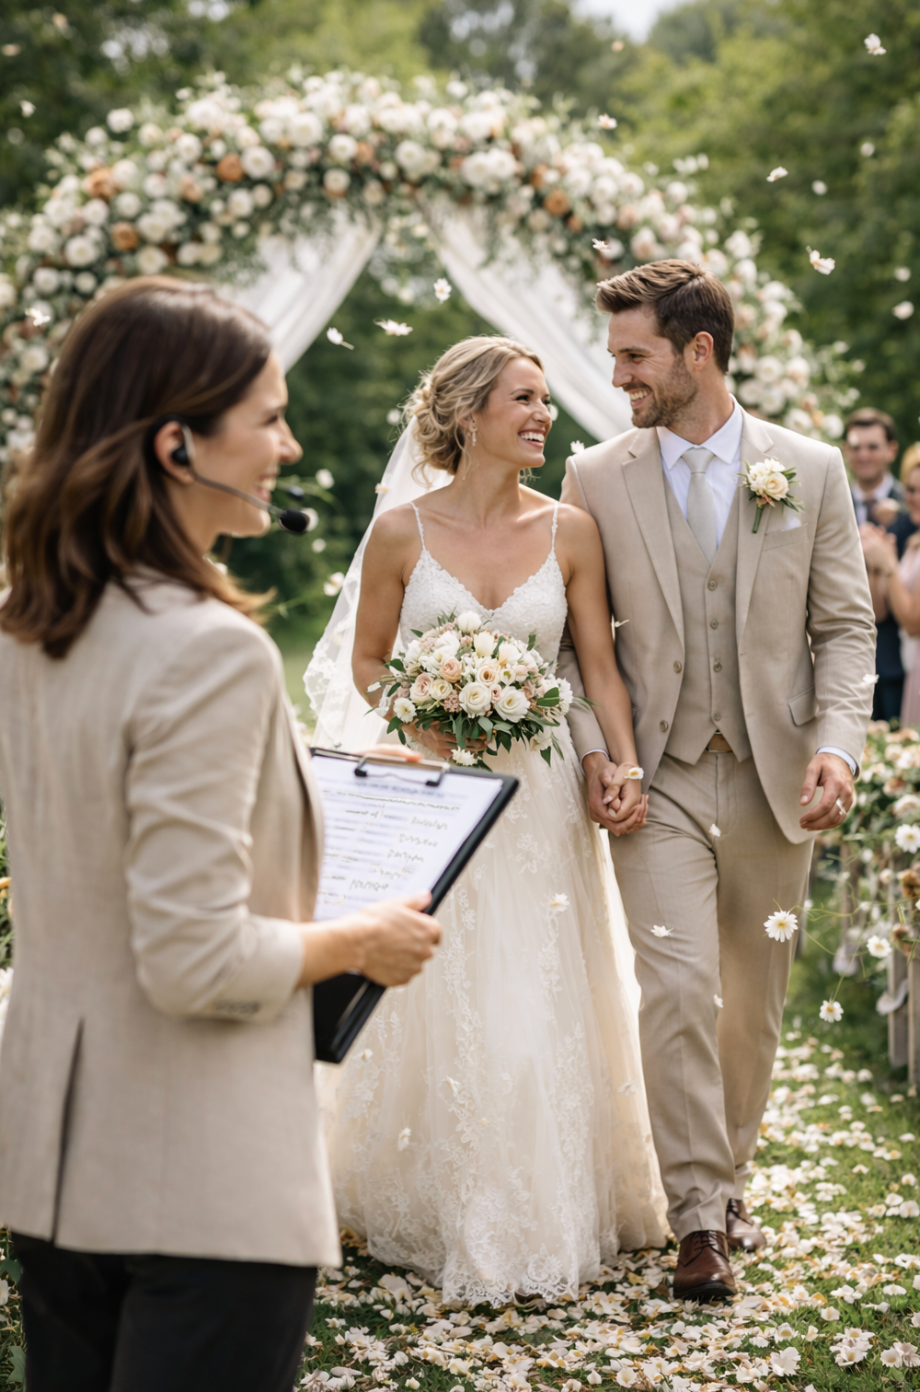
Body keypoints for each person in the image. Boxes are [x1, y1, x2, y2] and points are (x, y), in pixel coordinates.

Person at [0, 277, 440, 1392]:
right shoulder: (210, 651)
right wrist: (359, 942)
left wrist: (316, 775)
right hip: (194, 1179)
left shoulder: (31, 622)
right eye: (269, 420)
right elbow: (195, 956)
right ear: (175, 445)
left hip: (56, 1172)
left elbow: (119, 833)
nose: (287, 448)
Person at [318, 336, 666, 1307]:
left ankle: (535, 1208)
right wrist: (421, 705)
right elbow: (368, 663)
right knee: (443, 991)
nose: (542, 417)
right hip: (434, 793)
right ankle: (428, 1196)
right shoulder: (398, 532)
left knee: (534, 994)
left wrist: (620, 763)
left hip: (540, 795)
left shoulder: (569, 533)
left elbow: (593, 669)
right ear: (468, 412)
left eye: (545, 402)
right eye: (523, 399)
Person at [558, 260, 876, 1302]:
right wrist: (597, 751)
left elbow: (842, 630)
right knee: (679, 985)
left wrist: (836, 744)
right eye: (614, 357)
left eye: (633, 354)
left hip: (778, 780)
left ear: (697, 352)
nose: (617, 376)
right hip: (656, 777)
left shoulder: (810, 468)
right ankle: (696, 1217)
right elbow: (575, 643)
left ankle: (727, 1180)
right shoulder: (594, 476)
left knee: (750, 1003)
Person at [846, 408, 913, 721]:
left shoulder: (912, 502)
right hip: (844, 662)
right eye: (856, 446)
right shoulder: (832, 502)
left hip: (900, 661)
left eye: (873, 446)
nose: (864, 455)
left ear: (891, 450)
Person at [861, 444, 920, 728]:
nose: (915, 498)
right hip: (910, 666)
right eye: (910, 489)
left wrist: (888, 566)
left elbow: (912, 621)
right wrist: (874, 564)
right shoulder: (912, 543)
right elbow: (880, 612)